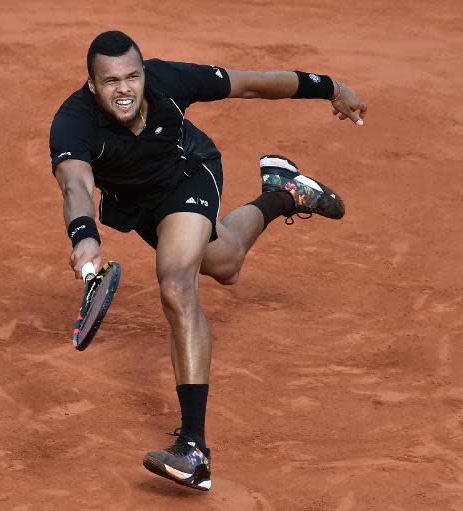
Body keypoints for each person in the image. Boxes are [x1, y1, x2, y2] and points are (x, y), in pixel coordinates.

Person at [49, 30, 367, 491]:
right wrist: (84, 238)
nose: (125, 89)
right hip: (139, 205)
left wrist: (331, 88)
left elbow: (250, 82)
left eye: (132, 76)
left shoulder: (168, 82)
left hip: (188, 173)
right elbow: (75, 185)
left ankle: (193, 449)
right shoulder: (72, 124)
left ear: (143, 73)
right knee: (225, 263)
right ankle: (286, 192)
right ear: (92, 85)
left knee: (177, 281)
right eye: (111, 80)